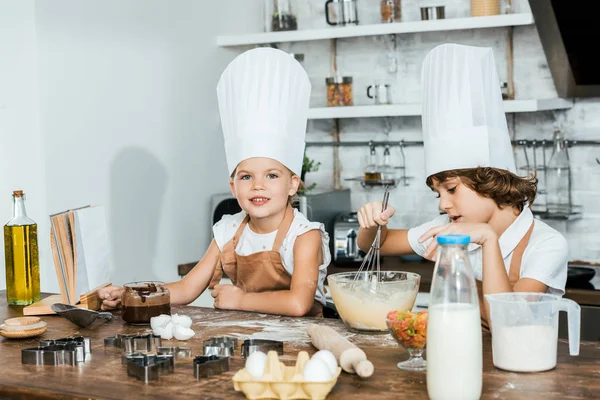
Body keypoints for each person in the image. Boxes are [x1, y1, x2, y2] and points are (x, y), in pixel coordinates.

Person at [100, 48, 330, 317]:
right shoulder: (229, 231)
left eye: (271, 175)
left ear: (292, 185)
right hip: (251, 337)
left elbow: (298, 304)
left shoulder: (305, 236)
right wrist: (132, 295)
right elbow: (186, 289)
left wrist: (240, 300)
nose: (258, 185)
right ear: (233, 187)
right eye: (246, 176)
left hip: (304, 344)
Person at [357, 43, 568, 326]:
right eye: (438, 194)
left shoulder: (546, 245)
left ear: (491, 180)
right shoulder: (450, 226)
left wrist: (487, 238)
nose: (444, 204)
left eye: (452, 189)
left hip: (522, 363)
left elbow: (507, 322)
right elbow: (376, 245)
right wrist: (372, 224)